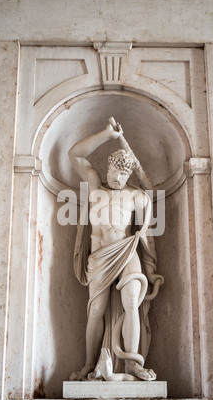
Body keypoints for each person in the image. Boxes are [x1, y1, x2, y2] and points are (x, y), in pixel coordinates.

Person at [69, 118, 163, 381]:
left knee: (132, 299)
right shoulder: (94, 185)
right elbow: (74, 154)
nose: (119, 178)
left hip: (126, 251)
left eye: (124, 174)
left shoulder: (134, 196)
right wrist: (108, 134)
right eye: (115, 172)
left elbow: (149, 196)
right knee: (96, 309)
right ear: (107, 168)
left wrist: (151, 269)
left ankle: (133, 362)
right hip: (99, 256)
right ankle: (89, 363)